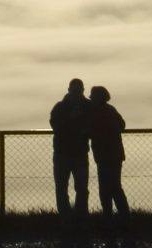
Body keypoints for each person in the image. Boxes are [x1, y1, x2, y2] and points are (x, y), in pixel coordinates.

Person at [49, 77, 91, 218]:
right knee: (62, 188)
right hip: (64, 153)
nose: (77, 93)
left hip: (77, 154)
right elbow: (56, 126)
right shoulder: (60, 107)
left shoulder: (87, 107)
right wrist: (71, 118)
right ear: (69, 90)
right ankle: (66, 218)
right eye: (75, 91)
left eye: (78, 91)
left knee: (81, 189)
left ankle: (80, 216)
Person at [88, 84, 128, 224]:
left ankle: (109, 218)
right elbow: (122, 125)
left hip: (105, 155)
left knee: (107, 189)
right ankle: (123, 218)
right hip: (114, 154)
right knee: (115, 187)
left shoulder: (97, 112)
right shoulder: (110, 110)